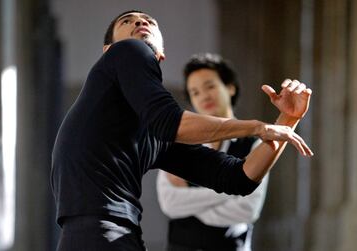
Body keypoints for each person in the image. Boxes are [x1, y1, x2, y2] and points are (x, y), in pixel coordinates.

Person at [50, 10, 313, 251]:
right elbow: (170, 121)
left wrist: (287, 121)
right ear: (108, 50)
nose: (141, 22)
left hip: (113, 235)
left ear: (161, 55)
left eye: (149, 21)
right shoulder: (127, 51)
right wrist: (257, 127)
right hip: (100, 235)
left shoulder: (151, 132)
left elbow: (238, 179)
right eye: (127, 21)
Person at [157, 53, 269, 251]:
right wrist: (232, 192)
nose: (204, 96)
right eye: (195, 92)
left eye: (210, 86)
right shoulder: (180, 141)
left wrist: (191, 203)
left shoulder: (254, 144)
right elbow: (170, 203)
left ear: (230, 87)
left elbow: (248, 209)